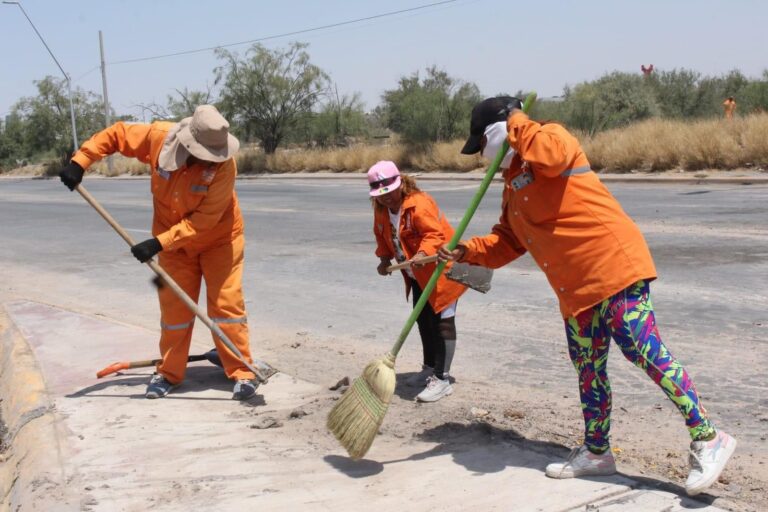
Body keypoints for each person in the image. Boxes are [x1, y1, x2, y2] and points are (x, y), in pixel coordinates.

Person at [438, 96, 736, 495]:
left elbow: (554, 154)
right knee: (588, 367)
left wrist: (516, 121)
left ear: (503, 131)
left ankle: (708, 437)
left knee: (642, 350)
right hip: (575, 289)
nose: (481, 158)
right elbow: (509, 241)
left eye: (482, 146)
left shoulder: (549, 138)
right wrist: (467, 251)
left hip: (614, 267)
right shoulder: (513, 185)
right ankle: (597, 452)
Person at [58, 105, 260, 401]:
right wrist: (81, 161)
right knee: (174, 309)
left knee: (225, 305)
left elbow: (204, 222)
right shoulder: (158, 137)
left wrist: (158, 243)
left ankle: (242, 370)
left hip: (220, 240)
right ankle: (169, 373)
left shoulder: (224, 167)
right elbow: (116, 135)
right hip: (174, 246)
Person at [369, 161, 467, 402]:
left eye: (390, 191)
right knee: (423, 320)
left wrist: (422, 254)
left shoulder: (419, 204)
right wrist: (384, 259)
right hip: (417, 275)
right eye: (381, 195)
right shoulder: (381, 210)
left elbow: (434, 234)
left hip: (442, 271)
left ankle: (442, 379)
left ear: (400, 183)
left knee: (442, 322)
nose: (387, 198)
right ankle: (429, 368)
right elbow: (382, 235)